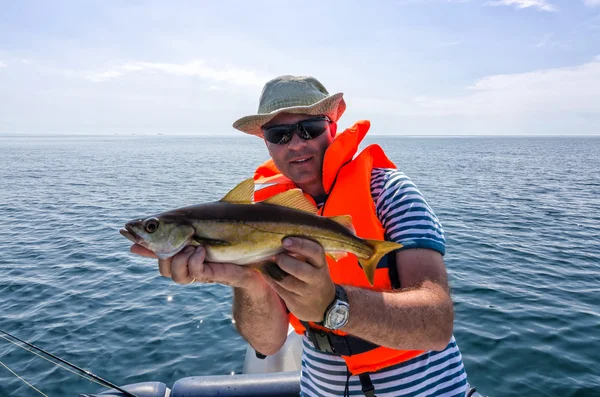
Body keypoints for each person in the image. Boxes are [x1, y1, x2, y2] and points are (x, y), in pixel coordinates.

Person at [131, 75, 468, 396]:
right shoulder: (257, 215)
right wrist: (247, 281)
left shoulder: (389, 193)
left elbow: (438, 325)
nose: (295, 144)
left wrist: (333, 305)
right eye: (279, 134)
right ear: (266, 142)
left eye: (310, 128)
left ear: (331, 128)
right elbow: (267, 343)